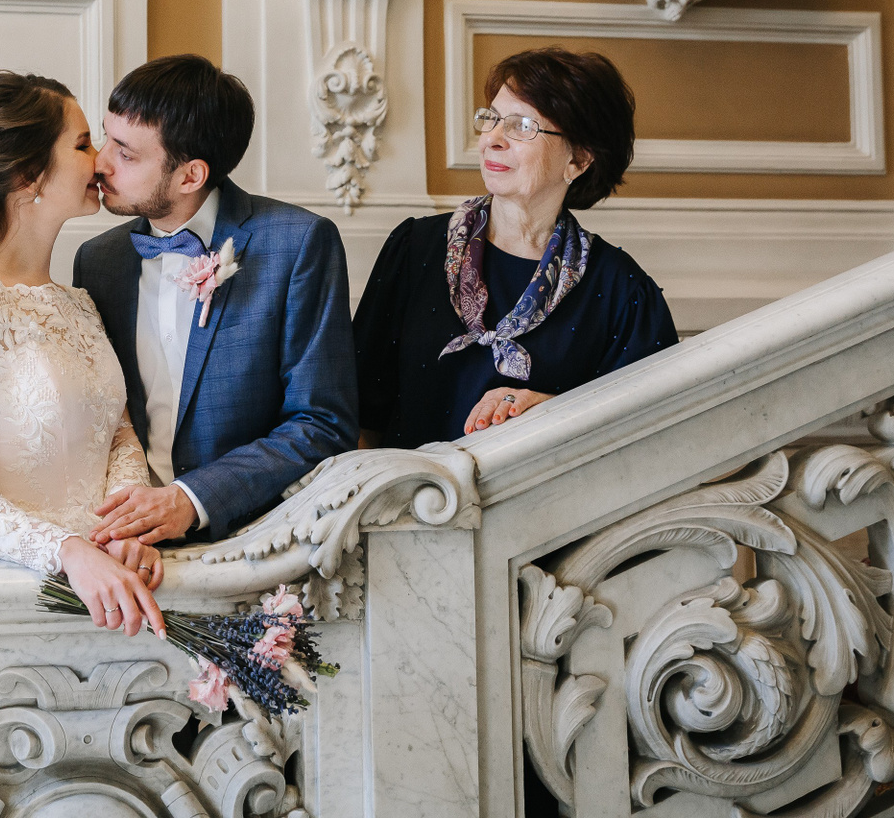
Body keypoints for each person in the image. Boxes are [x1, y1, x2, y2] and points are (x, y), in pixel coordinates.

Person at [0, 71, 167, 637]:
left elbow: (118, 435)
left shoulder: (79, 303)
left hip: (111, 583)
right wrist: (67, 550)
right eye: (83, 144)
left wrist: (123, 530)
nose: (101, 160)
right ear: (27, 175)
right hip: (17, 593)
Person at [73, 55, 357, 548]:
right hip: (118, 543)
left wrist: (191, 499)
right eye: (106, 138)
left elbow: (322, 423)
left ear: (190, 176)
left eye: (126, 153)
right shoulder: (98, 260)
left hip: (251, 542)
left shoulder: (298, 244)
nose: (100, 162)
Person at [353, 47, 677, 450]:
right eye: (490, 118)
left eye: (522, 126)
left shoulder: (622, 291)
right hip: (407, 487)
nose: (492, 139)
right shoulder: (414, 248)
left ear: (579, 159)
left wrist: (555, 411)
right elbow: (357, 415)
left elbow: (659, 439)